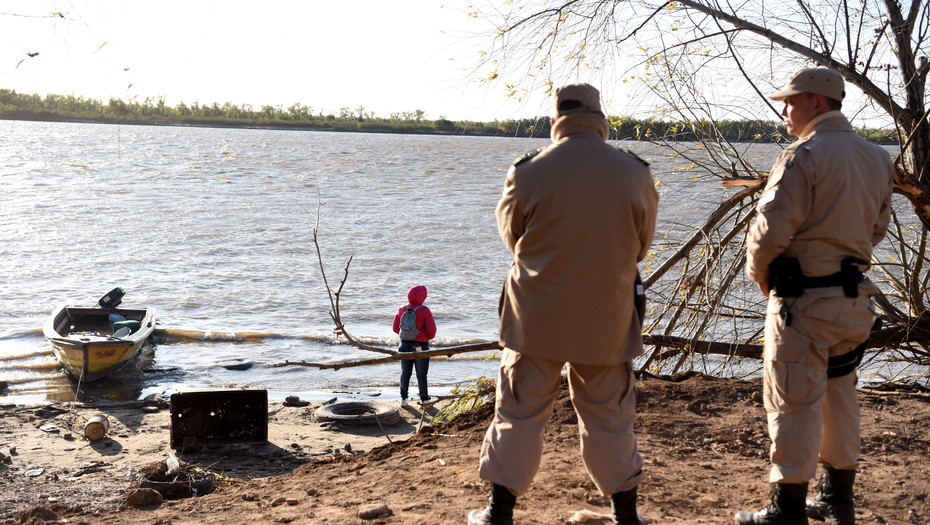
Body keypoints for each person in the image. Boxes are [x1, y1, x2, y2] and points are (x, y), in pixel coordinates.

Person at [469, 83, 659, 525]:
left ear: (555, 122)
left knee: (519, 410)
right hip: (607, 316)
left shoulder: (528, 170)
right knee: (610, 415)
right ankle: (626, 514)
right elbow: (641, 244)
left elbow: (512, 238)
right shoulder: (634, 171)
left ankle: (499, 513)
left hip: (536, 314)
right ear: (601, 121)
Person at [735, 68, 894, 525]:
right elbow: (877, 229)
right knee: (840, 396)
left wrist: (760, 273)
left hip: (801, 302)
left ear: (817, 104)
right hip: (853, 302)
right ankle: (837, 500)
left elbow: (770, 230)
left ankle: (786, 511)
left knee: (793, 401)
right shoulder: (876, 158)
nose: (784, 109)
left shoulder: (802, 155)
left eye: (791, 101)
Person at [392, 285, 437, 406]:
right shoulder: (425, 310)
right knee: (421, 375)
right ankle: (424, 399)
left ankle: (404, 399)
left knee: (405, 373)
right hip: (421, 347)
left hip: (404, 345)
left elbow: (395, 328)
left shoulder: (402, 309)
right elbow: (432, 333)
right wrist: (420, 336)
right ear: (423, 297)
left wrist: (408, 336)